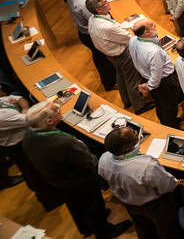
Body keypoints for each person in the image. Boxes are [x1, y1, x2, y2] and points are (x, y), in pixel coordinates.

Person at [23, 102, 132, 238]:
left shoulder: (28, 135)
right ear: (49, 121)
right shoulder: (62, 142)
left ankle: (86, 228)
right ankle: (105, 232)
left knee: (74, 205)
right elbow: (89, 161)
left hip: (58, 180)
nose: (60, 109)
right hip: (80, 180)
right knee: (93, 207)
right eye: (56, 109)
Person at [98, 126, 183, 239]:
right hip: (155, 205)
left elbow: (103, 175)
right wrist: (177, 182)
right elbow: (166, 185)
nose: (136, 132)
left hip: (129, 203)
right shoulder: (146, 165)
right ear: (125, 147)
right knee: (167, 230)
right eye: (133, 133)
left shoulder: (104, 158)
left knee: (143, 228)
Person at [87, 0, 151, 113]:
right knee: (132, 80)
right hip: (121, 55)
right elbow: (129, 37)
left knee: (120, 76)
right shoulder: (106, 27)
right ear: (98, 9)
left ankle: (126, 101)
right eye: (106, 2)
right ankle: (139, 106)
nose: (109, 3)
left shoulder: (93, 19)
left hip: (110, 54)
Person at [67, 0, 117, 91]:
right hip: (90, 35)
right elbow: (97, 20)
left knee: (100, 58)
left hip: (84, 33)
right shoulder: (82, 4)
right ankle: (110, 83)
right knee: (103, 59)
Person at [129, 19, 182, 128]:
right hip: (164, 82)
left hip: (147, 78)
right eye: (152, 26)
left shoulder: (133, 40)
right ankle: (173, 129)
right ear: (146, 33)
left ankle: (167, 123)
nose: (155, 26)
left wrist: (149, 85)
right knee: (169, 107)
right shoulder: (154, 52)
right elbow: (156, 75)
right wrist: (150, 86)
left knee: (160, 104)